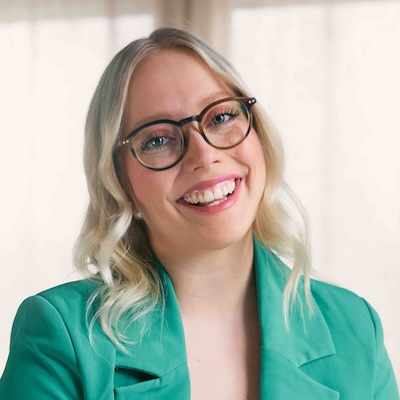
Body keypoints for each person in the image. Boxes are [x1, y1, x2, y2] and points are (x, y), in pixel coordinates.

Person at [0, 27, 398, 400]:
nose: (204, 155)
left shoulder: (356, 327)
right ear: (120, 185)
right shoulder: (61, 335)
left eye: (221, 117)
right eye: (157, 139)